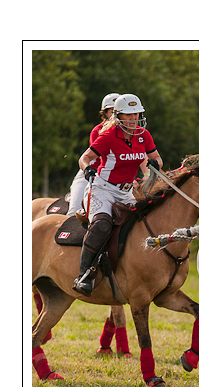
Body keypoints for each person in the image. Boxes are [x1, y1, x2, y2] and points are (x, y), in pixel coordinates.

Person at [73, 93, 163, 296]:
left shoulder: (143, 135)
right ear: (119, 116)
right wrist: (87, 168)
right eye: (129, 115)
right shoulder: (109, 135)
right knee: (102, 224)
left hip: (127, 192)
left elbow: (156, 157)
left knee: (143, 223)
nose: (134, 119)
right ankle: (84, 275)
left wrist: (155, 164)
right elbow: (85, 157)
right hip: (102, 190)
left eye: (136, 114)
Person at [66, 93, 119, 216]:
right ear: (105, 113)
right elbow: (106, 159)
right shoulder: (98, 131)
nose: (116, 115)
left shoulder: (132, 133)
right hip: (90, 174)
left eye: (119, 111)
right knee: (74, 213)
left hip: (116, 178)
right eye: (112, 111)